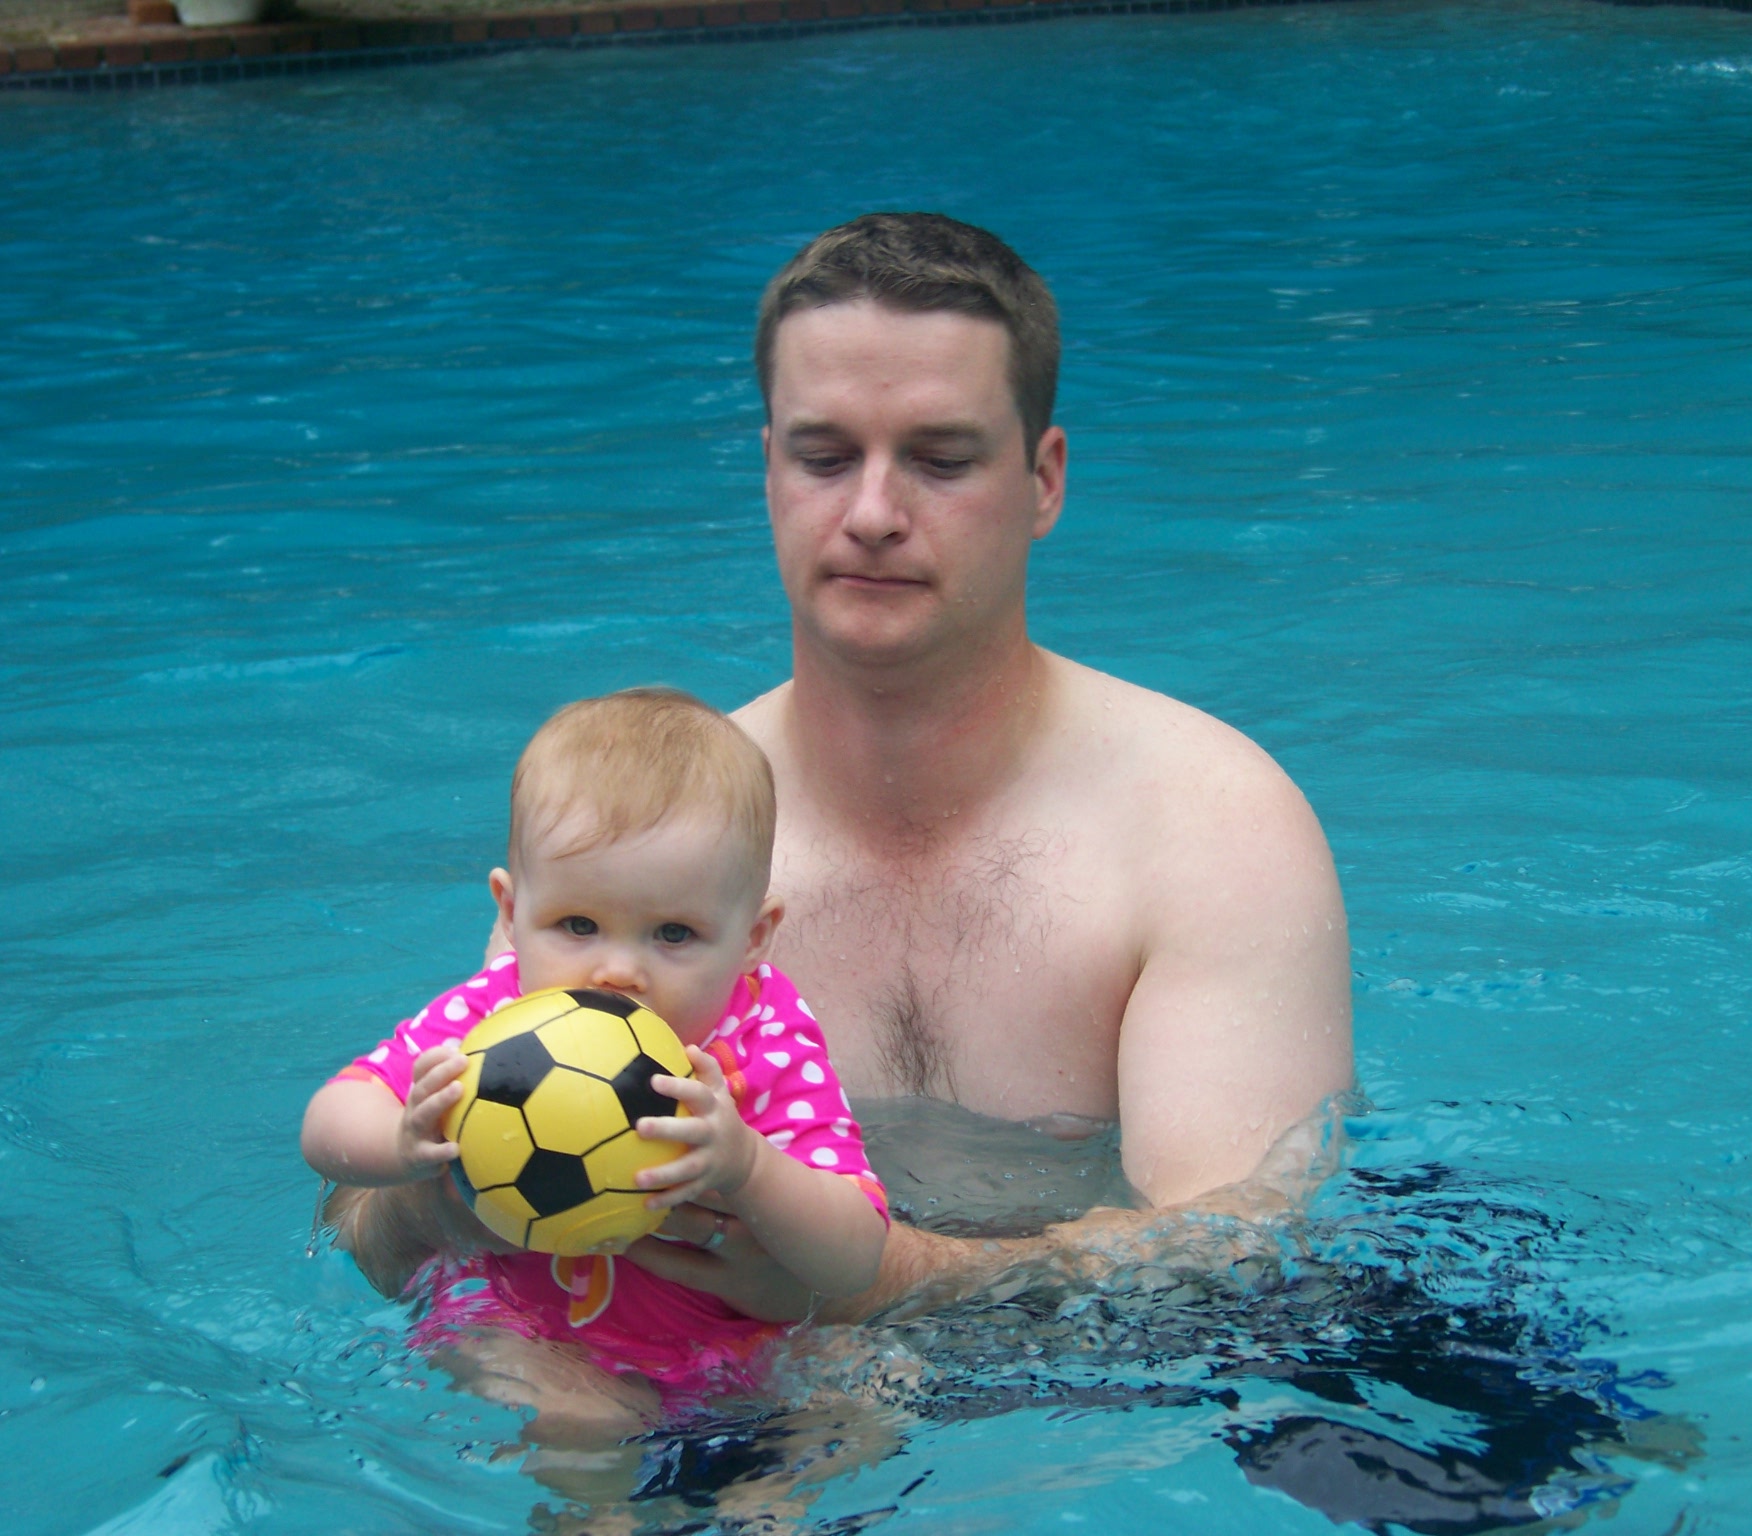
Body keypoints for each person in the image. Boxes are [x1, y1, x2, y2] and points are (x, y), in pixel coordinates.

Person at [325, 212, 1354, 1326]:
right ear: (768, 469)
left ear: (1044, 481)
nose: (871, 515)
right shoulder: (653, 833)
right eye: (823, 458)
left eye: (941, 460)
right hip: (737, 1382)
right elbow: (369, 1229)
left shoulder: (1209, 827)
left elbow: (1240, 1258)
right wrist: (446, 1206)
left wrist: (865, 1284)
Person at [301, 688, 888, 1466]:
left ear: (753, 938)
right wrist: (401, 1141)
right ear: (510, 913)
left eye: (673, 933)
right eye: (578, 925)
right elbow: (327, 1124)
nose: (617, 970)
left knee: (869, 1400)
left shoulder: (764, 1036)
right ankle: (595, 1516)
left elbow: (855, 1256)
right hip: (531, 1329)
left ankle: (770, 1505)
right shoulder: (494, 1019)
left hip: (737, 1347)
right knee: (582, 1420)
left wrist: (750, 1168)